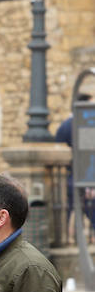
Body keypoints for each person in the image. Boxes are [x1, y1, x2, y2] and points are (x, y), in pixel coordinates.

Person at [55, 93, 95, 235]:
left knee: (68, 208)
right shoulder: (84, 125)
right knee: (90, 207)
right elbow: (88, 154)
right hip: (83, 176)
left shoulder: (64, 126)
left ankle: (63, 234)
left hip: (68, 176)